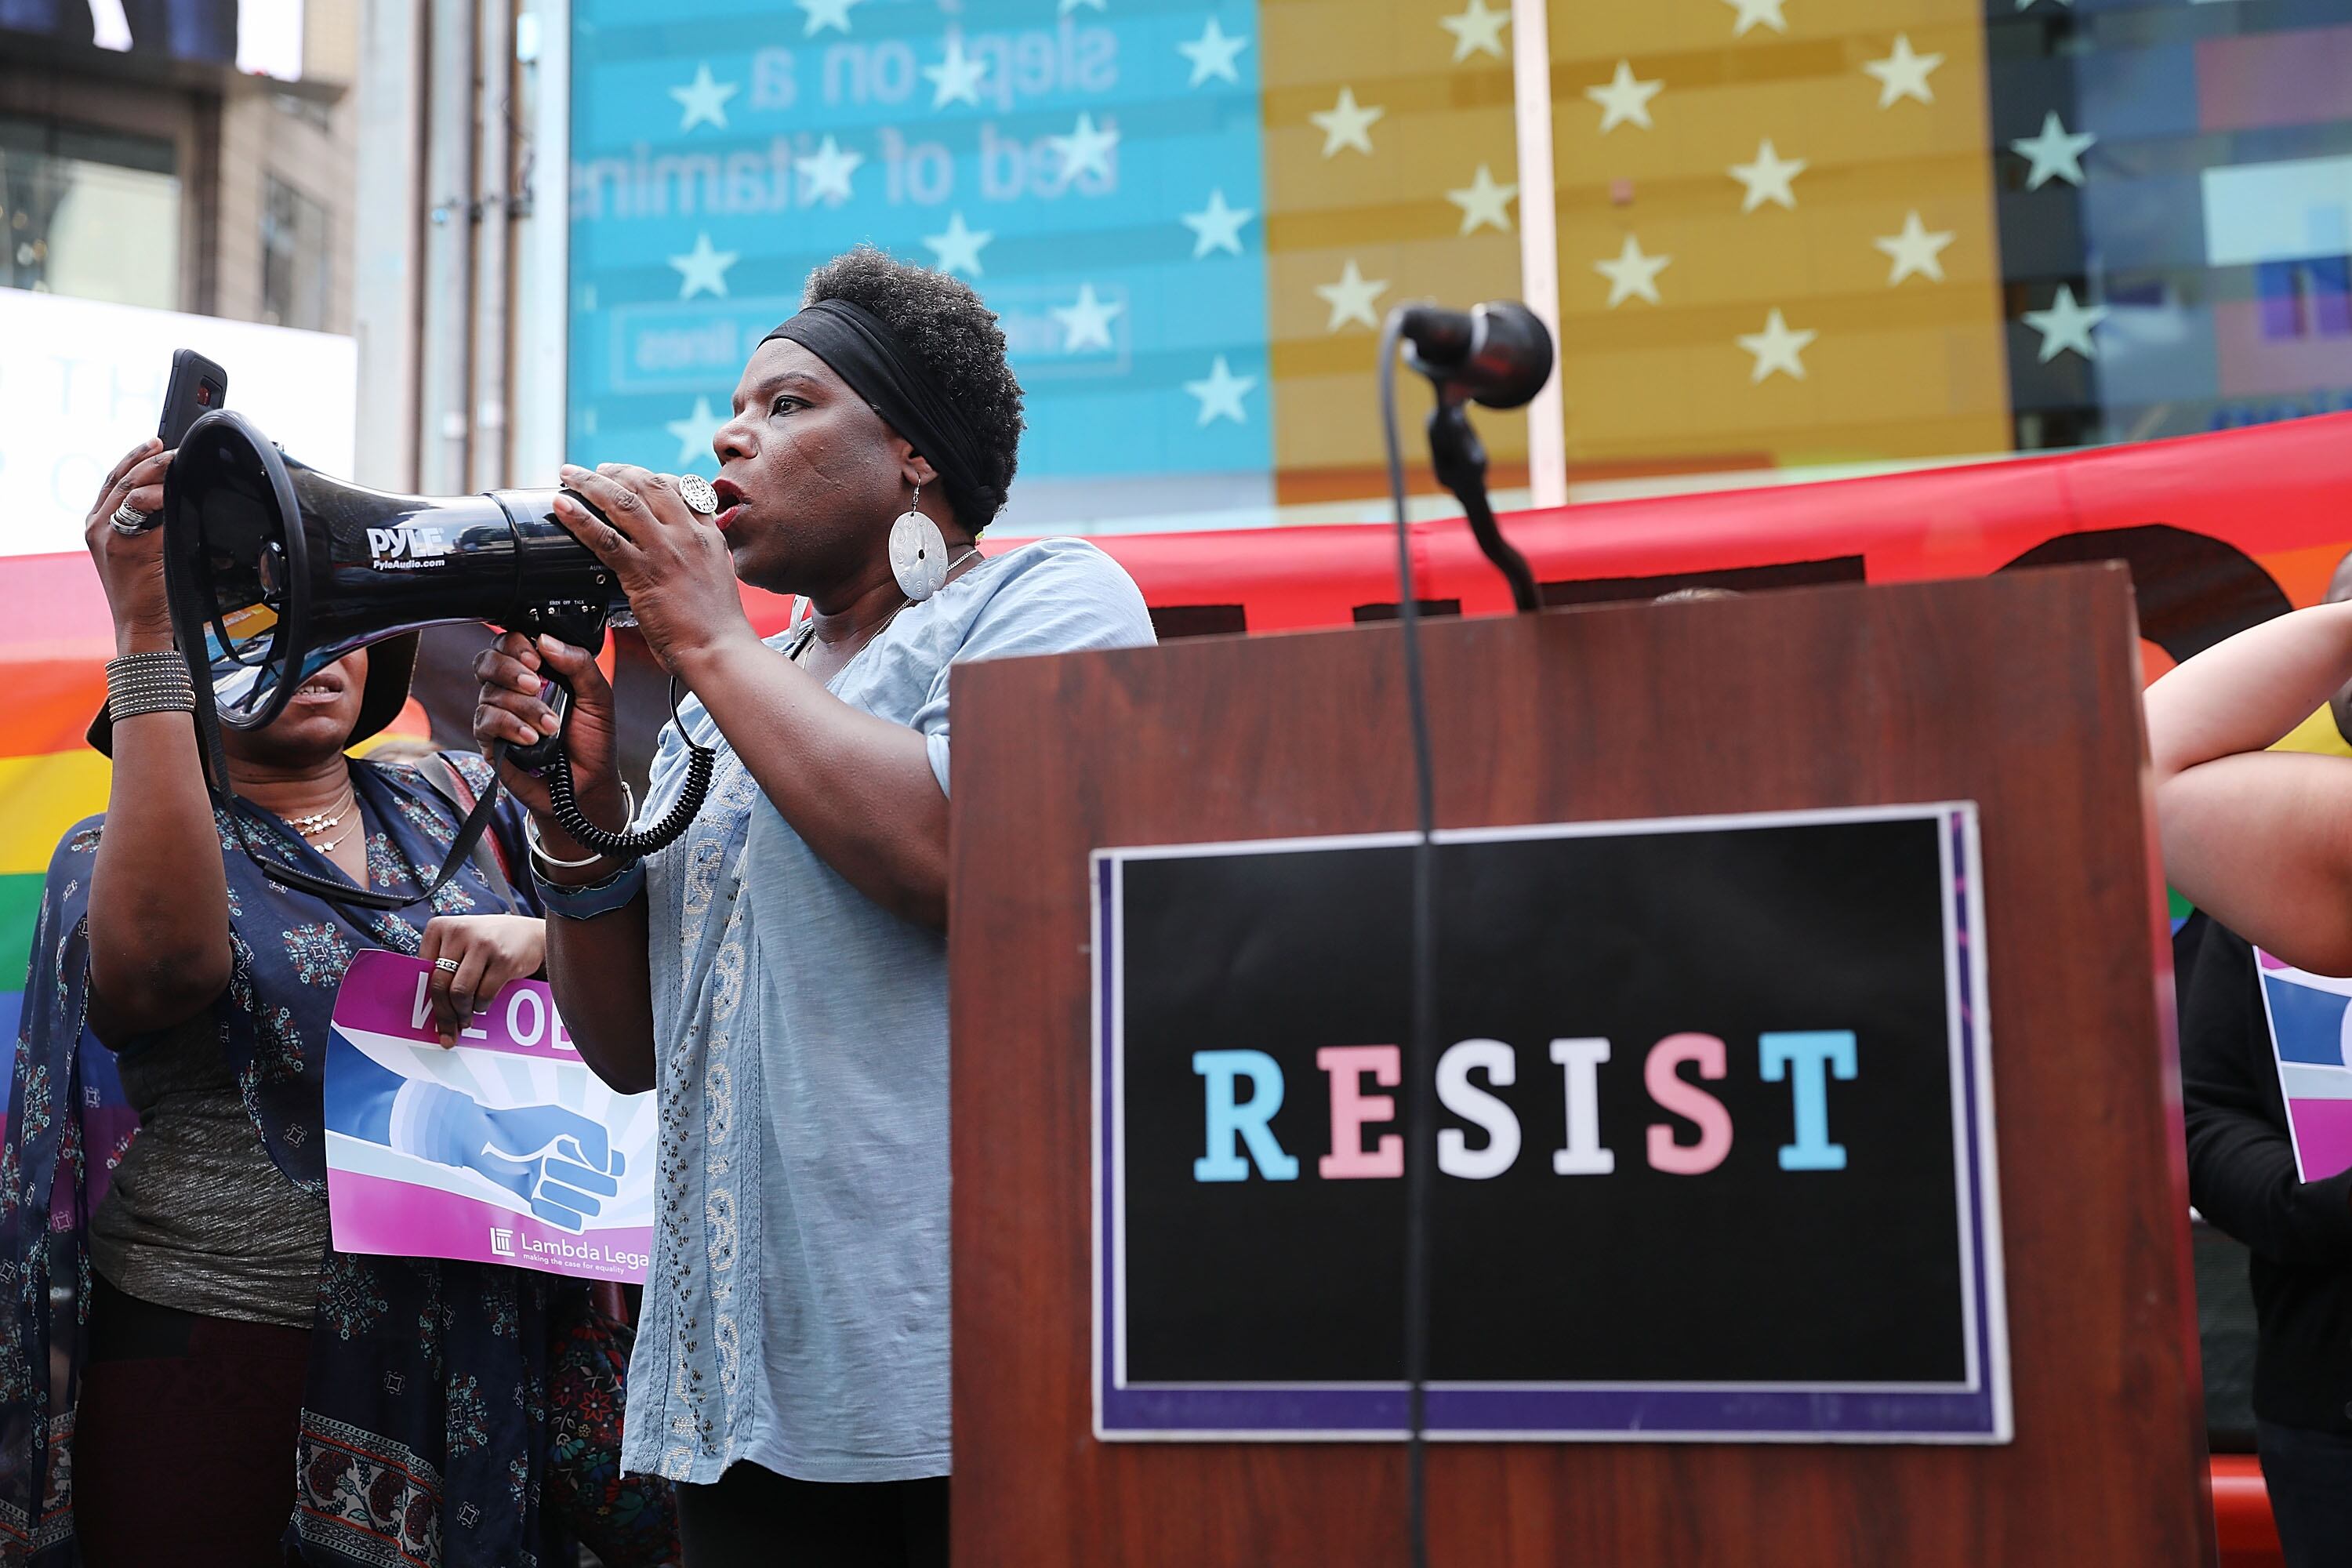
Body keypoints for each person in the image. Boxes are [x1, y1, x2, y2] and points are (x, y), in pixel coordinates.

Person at [471, 246, 1156, 1566]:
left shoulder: (1044, 600)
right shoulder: (732, 700)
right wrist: (571, 807)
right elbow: (626, 1050)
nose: (732, 432)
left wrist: (709, 645)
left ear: (916, 457)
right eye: (733, 407)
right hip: (744, 1388)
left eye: (790, 405)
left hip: (959, 1385)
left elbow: (965, 855)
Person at [0, 437, 597, 1567]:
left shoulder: (472, 802)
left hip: (475, 1363)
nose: (315, 643)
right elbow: (169, 966)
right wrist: (143, 633)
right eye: (259, 615)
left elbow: (638, 975)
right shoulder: (104, 854)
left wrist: (546, 934)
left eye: (337, 611)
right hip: (221, 1364)